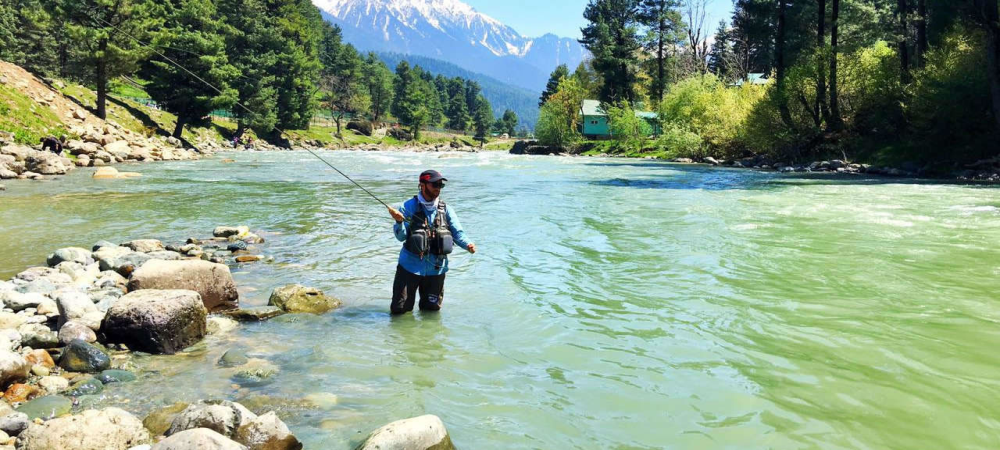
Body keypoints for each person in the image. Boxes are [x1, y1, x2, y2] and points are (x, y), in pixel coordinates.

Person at [386, 170, 476, 314]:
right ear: (422, 185)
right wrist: (398, 222)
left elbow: (458, 233)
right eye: (435, 184)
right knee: (399, 310)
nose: (438, 188)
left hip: (436, 269)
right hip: (409, 267)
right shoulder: (408, 207)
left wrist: (468, 245)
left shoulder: (447, 209)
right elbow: (401, 237)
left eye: (441, 185)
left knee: (431, 313)